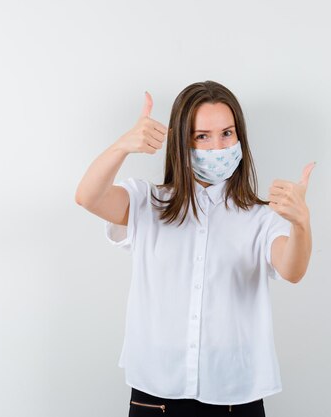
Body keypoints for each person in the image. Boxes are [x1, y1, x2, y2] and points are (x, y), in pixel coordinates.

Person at [75, 80, 315, 416]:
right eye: (202, 136)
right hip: (156, 394)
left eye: (227, 133)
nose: (217, 147)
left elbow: (292, 269)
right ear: (181, 141)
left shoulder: (259, 217)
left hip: (235, 395)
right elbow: (88, 196)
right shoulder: (148, 202)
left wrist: (301, 225)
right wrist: (122, 147)